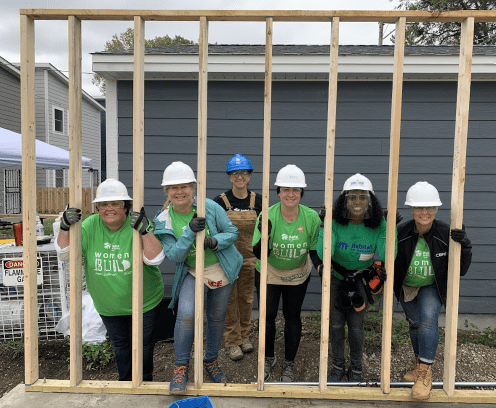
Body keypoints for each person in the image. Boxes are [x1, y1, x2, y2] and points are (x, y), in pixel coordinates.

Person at [54, 179, 165, 381]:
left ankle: (144, 383)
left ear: (125, 207)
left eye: (115, 203)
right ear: (98, 208)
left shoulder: (135, 224)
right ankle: (125, 384)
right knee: (121, 346)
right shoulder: (89, 226)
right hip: (109, 304)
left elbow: (155, 259)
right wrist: (64, 226)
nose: (109, 209)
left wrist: (145, 231)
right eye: (104, 204)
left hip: (144, 302)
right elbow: (64, 254)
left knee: (142, 345)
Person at [152, 161, 243, 395]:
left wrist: (216, 241)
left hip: (222, 268)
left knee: (215, 317)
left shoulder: (210, 207)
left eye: (184, 186)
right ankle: (181, 368)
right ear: (167, 192)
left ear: (192, 188)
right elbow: (174, 255)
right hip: (193, 271)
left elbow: (232, 232)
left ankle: (210, 360)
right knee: (186, 315)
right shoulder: (163, 220)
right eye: (173, 188)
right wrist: (190, 232)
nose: (179, 192)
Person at [394, 182, 472, 400]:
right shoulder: (402, 232)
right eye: (419, 208)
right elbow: (387, 255)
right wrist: (385, 230)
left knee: (428, 318)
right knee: (415, 323)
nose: (424, 213)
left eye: (429, 208)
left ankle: (424, 375)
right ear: (412, 210)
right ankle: (419, 364)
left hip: (432, 285)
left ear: (436, 209)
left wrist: (464, 245)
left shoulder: (445, 233)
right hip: (407, 286)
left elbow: (462, 270)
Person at [316, 173, 396, 383]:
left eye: (362, 197)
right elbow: (326, 253)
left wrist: (390, 228)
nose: (357, 202)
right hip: (336, 279)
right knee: (335, 325)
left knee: (356, 326)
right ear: (344, 201)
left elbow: (390, 254)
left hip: (361, 281)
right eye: (352, 198)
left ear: (370, 201)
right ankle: (337, 365)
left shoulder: (377, 224)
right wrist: (326, 224)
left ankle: (357, 367)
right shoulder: (337, 222)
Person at [252, 164, 321, 382]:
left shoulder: (310, 218)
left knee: (292, 316)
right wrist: (265, 235)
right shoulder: (267, 215)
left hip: (297, 273)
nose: (290, 194)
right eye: (285, 189)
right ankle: (268, 357)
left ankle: (289, 363)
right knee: (268, 316)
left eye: (296, 190)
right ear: (278, 192)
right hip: (269, 272)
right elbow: (260, 254)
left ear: (301, 193)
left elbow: (313, 250)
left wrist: (321, 267)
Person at [213, 154, 262, 361]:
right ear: (230, 177)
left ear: (249, 175)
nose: (239, 177)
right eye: (235, 173)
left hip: (250, 259)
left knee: (246, 298)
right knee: (229, 300)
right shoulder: (220, 202)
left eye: (243, 173)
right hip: (226, 259)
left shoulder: (258, 201)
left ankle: (244, 336)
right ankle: (232, 341)